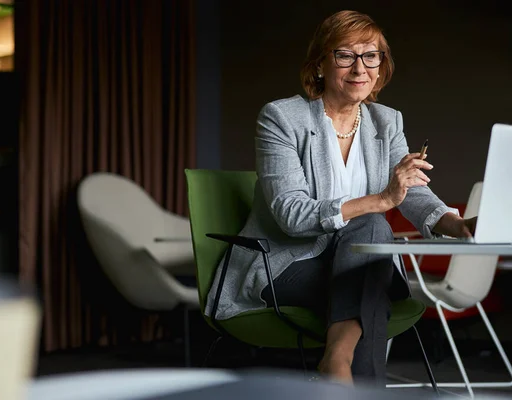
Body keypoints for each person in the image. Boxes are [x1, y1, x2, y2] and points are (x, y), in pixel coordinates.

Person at [204, 10, 477, 385]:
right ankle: (346, 369)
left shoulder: (387, 122)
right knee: (372, 246)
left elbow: (410, 190)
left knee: (368, 254)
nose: (359, 67)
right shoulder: (282, 118)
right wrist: (380, 199)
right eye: (345, 55)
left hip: (356, 262)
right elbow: (292, 214)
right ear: (320, 64)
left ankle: (337, 364)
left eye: (371, 55)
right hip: (285, 265)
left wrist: (455, 223)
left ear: (381, 67)